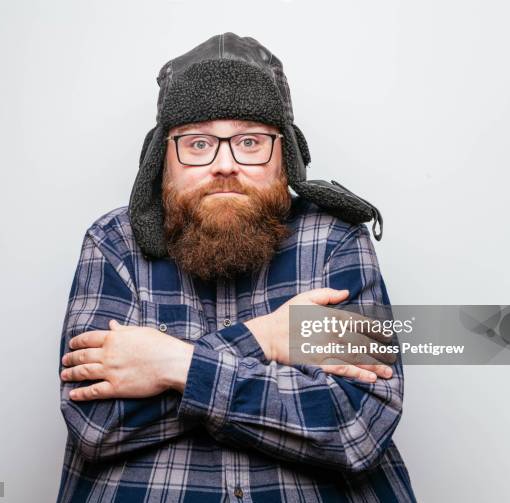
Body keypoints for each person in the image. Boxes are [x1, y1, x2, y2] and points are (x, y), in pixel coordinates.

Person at [57, 33, 416, 503]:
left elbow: (356, 426)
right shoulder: (114, 244)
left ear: (284, 155)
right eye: (199, 142)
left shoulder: (335, 240)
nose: (225, 164)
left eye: (249, 141)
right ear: (161, 158)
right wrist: (265, 339)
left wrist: (172, 363)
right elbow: (96, 424)